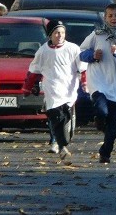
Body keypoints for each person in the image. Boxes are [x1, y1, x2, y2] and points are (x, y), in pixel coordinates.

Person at [80, 3, 116, 163]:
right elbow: (81, 53)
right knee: (102, 110)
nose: (113, 19)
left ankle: (105, 153)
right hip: (98, 81)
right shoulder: (97, 35)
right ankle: (99, 121)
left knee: (113, 129)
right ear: (105, 18)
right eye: (110, 16)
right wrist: (92, 55)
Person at [22, 20, 86, 160]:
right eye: (57, 33)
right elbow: (33, 71)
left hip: (69, 90)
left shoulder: (73, 49)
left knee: (65, 117)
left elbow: (83, 68)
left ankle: (64, 140)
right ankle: (61, 145)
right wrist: (27, 88)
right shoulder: (43, 51)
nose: (60, 35)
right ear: (50, 35)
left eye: (62, 32)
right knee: (56, 117)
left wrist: (85, 83)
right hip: (52, 90)